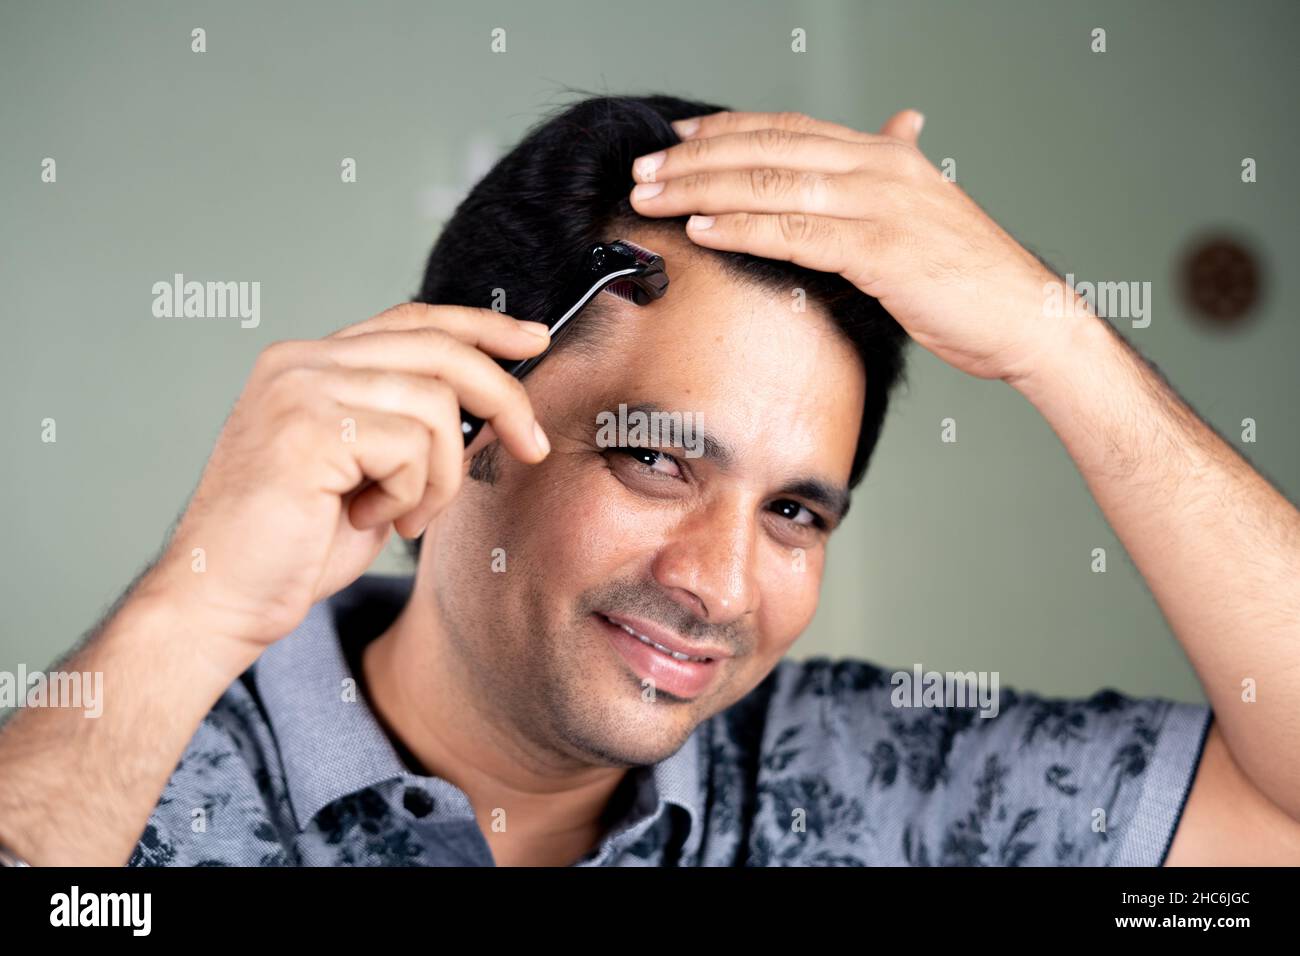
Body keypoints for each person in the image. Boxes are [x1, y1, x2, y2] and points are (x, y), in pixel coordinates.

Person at [2, 94, 1298, 867]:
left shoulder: (880, 785)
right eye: (657, 458)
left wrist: (1057, 338)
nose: (720, 586)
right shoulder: (135, 774)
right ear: (454, 418)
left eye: (795, 511)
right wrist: (191, 606)